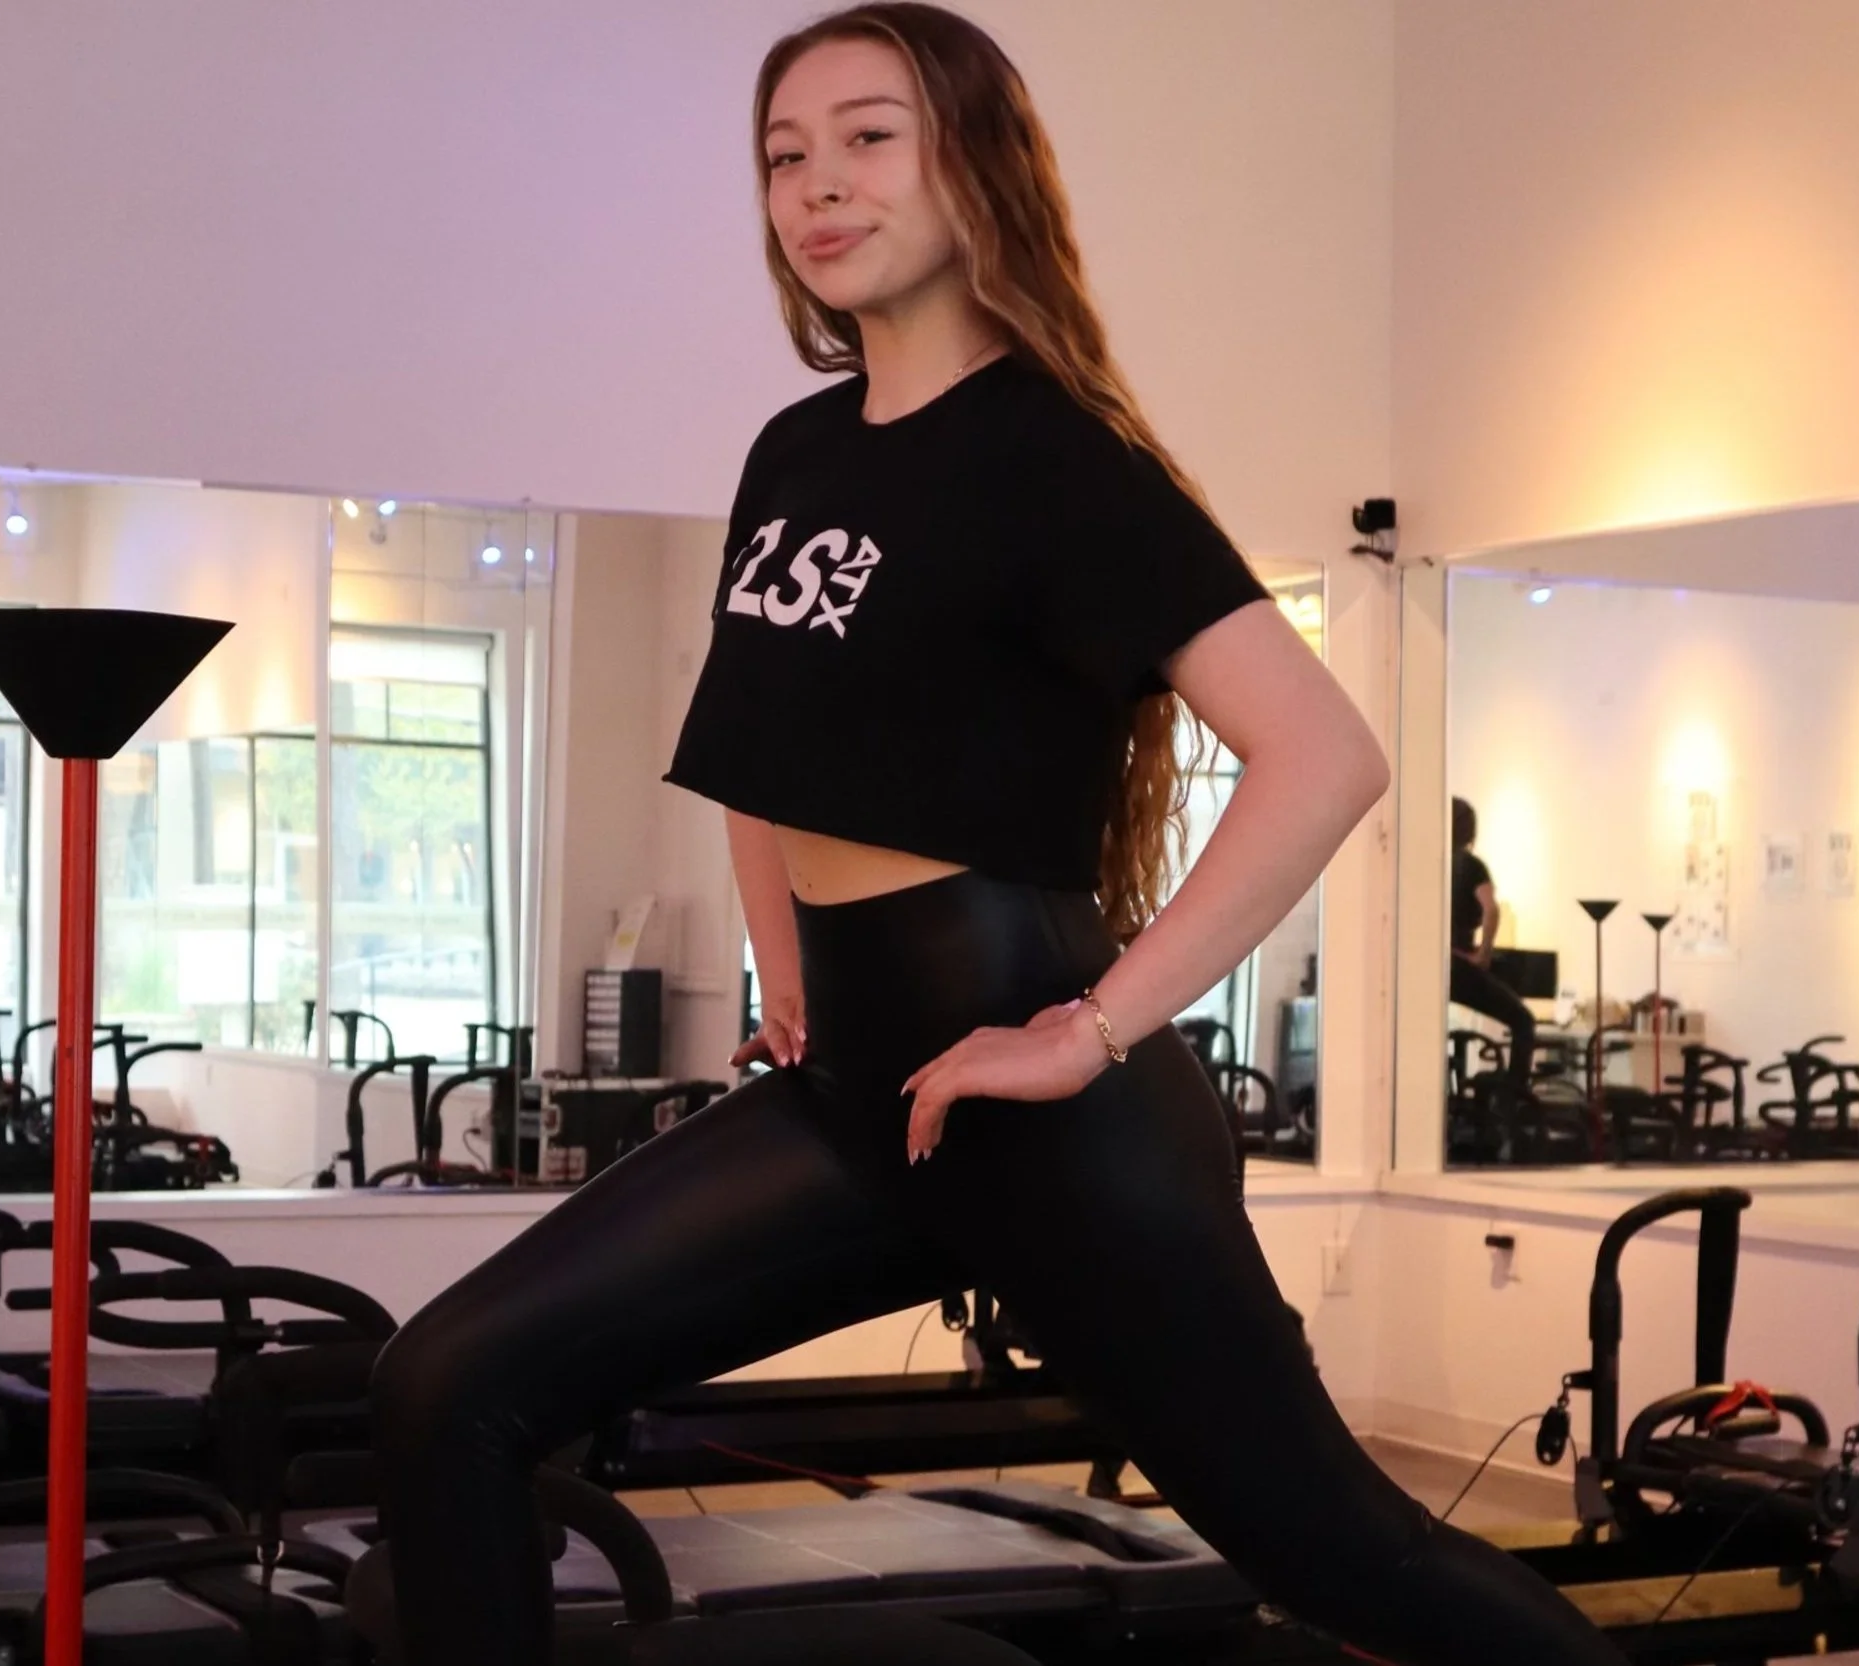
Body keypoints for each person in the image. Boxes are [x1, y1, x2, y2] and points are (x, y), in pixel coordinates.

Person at [369, 9, 1623, 1664]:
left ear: (976, 161)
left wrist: (1094, 1031)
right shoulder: (795, 450)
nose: (817, 185)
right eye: (784, 154)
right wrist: (782, 948)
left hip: (1058, 1124)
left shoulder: (1058, 457)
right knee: (446, 1383)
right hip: (857, 1098)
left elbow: (1324, 755)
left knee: (1343, 1558)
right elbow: (762, 738)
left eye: (868, 137)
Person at [1449, 796, 1537, 1117]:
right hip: (1459, 963)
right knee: (1523, 1021)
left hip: (1435, 964)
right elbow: (1491, 909)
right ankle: (1512, 1102)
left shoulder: (1430, 862)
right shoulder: (1471, 865)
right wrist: (1483, 953)